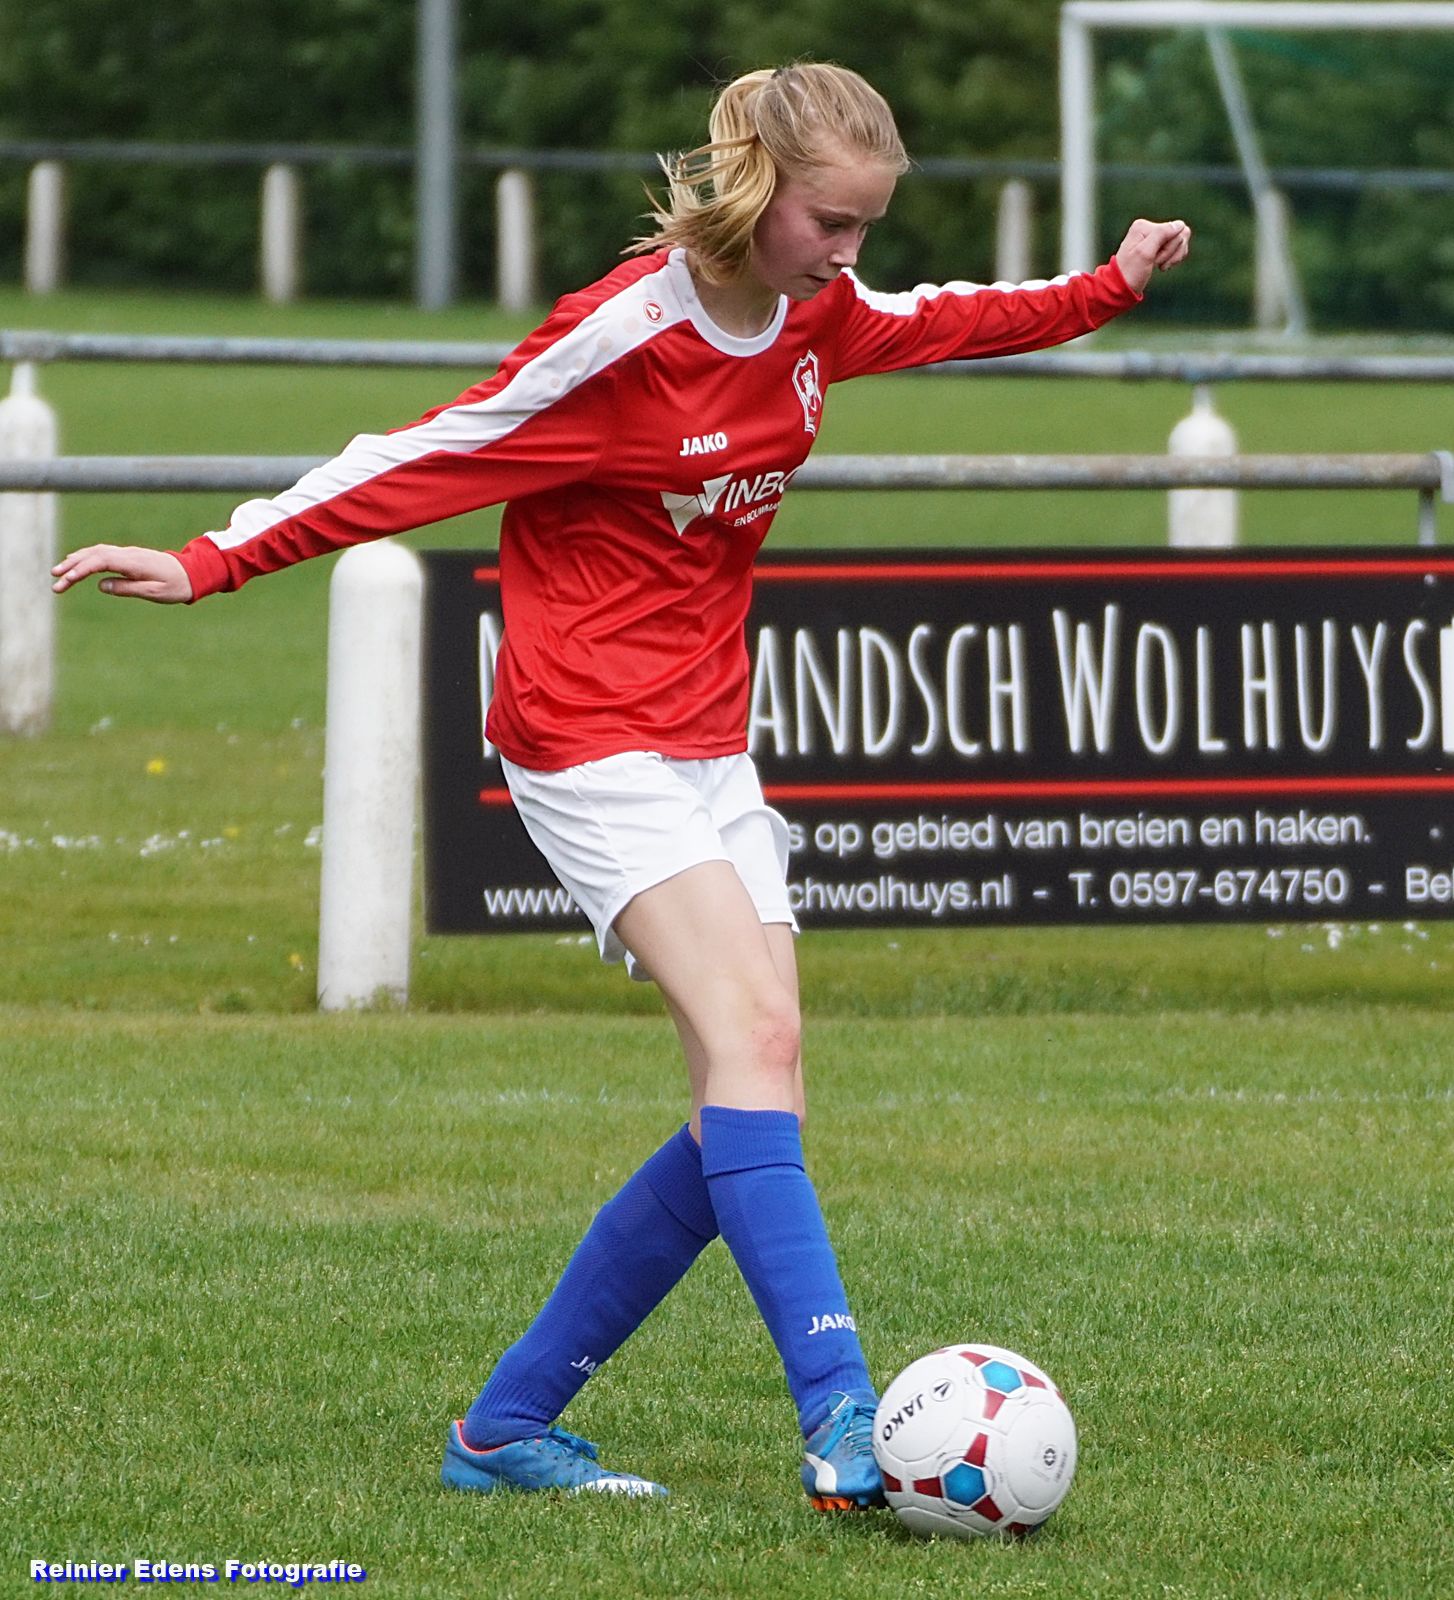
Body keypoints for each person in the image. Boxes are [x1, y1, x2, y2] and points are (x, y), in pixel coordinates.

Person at [54, 63, 1190, 1509]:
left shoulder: (816, 312)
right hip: (584, 733)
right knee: (759, 1037)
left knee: (745, 1095)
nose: (851, 251)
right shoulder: (621, 338)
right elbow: (430, 451)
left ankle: (505, 1426)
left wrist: (1107, 287)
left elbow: (948, 317)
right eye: (831, 221)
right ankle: (846, 1420)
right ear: (757, 190)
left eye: (866, 224)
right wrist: (215, 559)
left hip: (708, 739)